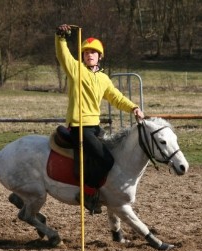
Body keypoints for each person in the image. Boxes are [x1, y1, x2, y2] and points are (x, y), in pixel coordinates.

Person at [55, 24, 144, 214]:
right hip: (79, 126)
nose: (89, 55)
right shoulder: (76, 70)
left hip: (94, 126)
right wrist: (61, 37)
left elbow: (116, 98)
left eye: (93, 52)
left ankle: (103, 192)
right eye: (86, 52)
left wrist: (134, 107)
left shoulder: (104, 79)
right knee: (106, 161)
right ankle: (87, 194)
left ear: (100, 56)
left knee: (110, 156)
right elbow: (63, 56)